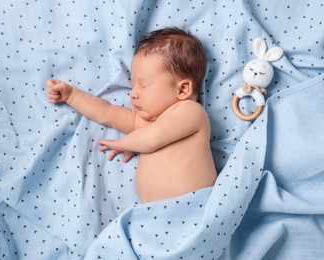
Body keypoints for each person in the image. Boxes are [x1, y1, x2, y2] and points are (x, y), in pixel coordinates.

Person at [46, 27, 217, 203]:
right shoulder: (143, 121)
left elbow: (153, 138)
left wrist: (124, 143)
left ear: (182, 89)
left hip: (195, 206)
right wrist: (72, 96)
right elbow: (107, 113)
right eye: (133, 85)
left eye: (143, 85)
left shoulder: (191, 112)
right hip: (151, 215)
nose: (132, 93)